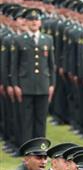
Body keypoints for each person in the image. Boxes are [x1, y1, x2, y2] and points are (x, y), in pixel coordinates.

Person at [9, 10, 55, 145]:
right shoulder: (19, 40)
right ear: (27, 22)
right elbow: (14, 65)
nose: (34, 22)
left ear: (40, 22)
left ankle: (40, 147)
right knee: (26, 119)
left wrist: (52, 84)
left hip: (43, 84)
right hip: (25, 85)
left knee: (41, 119)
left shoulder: (47, 39)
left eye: (36, 20)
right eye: (31, 20)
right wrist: (15, 85)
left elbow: (51, 65)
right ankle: (28, 148)